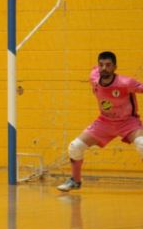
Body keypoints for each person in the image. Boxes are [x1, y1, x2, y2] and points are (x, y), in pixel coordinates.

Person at [57, 51, 143, 192]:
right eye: (101, 65)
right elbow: (94, 70)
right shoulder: (94, 78)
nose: (104, 68)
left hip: (128, 122)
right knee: (75, 147)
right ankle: (75, 181)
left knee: (142, 144)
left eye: (108, 65)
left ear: (115, 67)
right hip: (105, 122)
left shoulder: (126, 83)